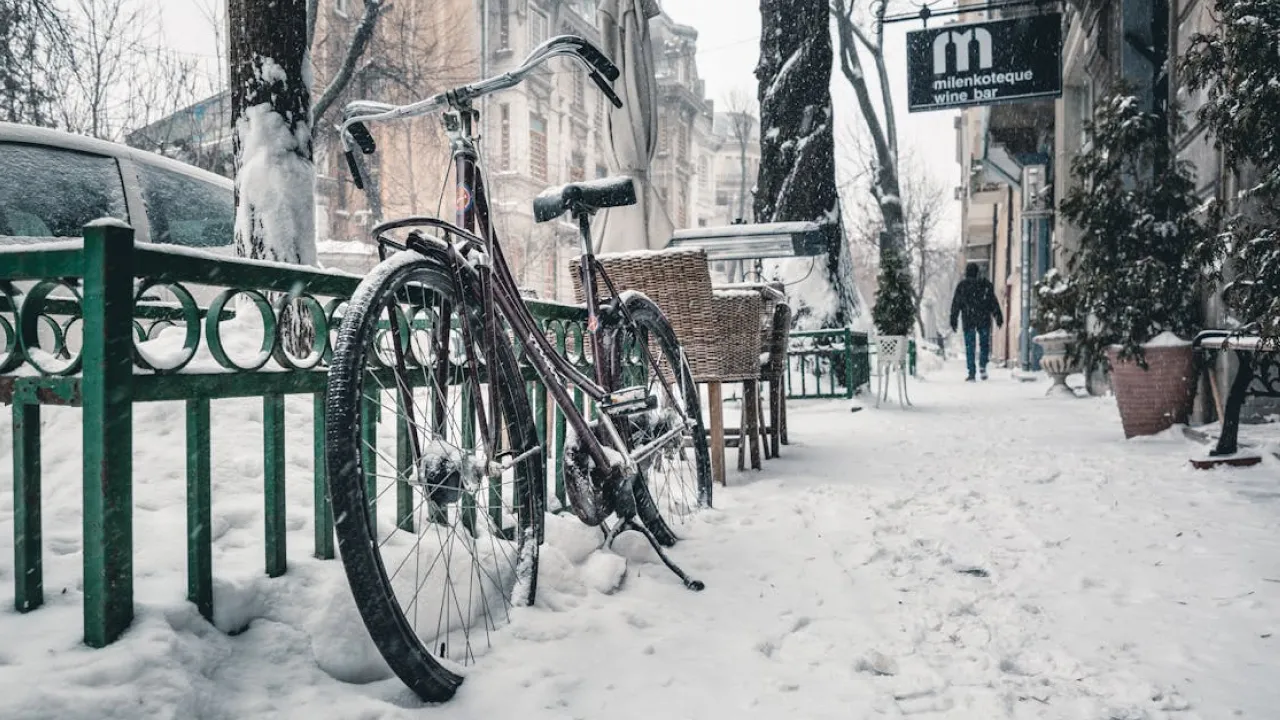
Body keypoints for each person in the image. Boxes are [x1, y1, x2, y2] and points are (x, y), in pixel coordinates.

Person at [949, 262, 1004, 381]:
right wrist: (998, 316)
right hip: (983, 318)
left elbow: (956, 304)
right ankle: (983, 364)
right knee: (984, 344)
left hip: (968, 319)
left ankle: (972, 372)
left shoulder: (962, 286)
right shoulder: (985, 285)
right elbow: (993, 302)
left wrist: (953, 320)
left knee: (970, 347)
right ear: (977, 272)